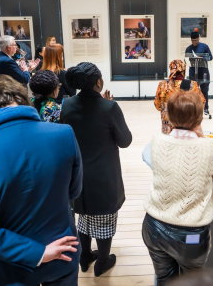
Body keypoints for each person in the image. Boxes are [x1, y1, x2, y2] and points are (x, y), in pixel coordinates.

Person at [0, 75, 82, 286]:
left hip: (11, 264)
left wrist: (38, 253)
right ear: (24, 98)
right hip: (63, 249)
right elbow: (74, 191)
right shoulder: (63, 134)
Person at [143, 90, 213, 286]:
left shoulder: (156, 141)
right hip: (191, 237)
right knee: (193, 282)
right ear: (199, 118)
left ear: (169, 116)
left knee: (164, 280)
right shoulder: (210, 146)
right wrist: (203, 136)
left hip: (153, 228)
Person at [60, 62, 132, 277]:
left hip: (76, 173)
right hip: (104, 174)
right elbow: (125, 141)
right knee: (105, 218)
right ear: (99, 82)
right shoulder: (109, 107)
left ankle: (84, 257)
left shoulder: (67, 104)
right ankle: (102, 262)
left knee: (83, 215)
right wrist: (110, 107)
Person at [155, 59, 204, 134]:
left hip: (168, 129)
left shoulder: (162, 85)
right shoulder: (192, 85)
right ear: (183, 70)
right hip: (188, 126)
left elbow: (157, 106)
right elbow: (201, 103)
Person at [185, 31, 213, 114]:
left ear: (199, 38)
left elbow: (210, 57)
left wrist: (202, 57)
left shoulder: (204, 46)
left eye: (196, 40)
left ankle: (205, 108)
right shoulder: (188, 48)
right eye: (193, 40)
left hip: (203, 72)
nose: (194, 42)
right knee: (192, 91)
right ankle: (193, 109)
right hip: (193, 72)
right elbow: (185, 60)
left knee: (204, 91)